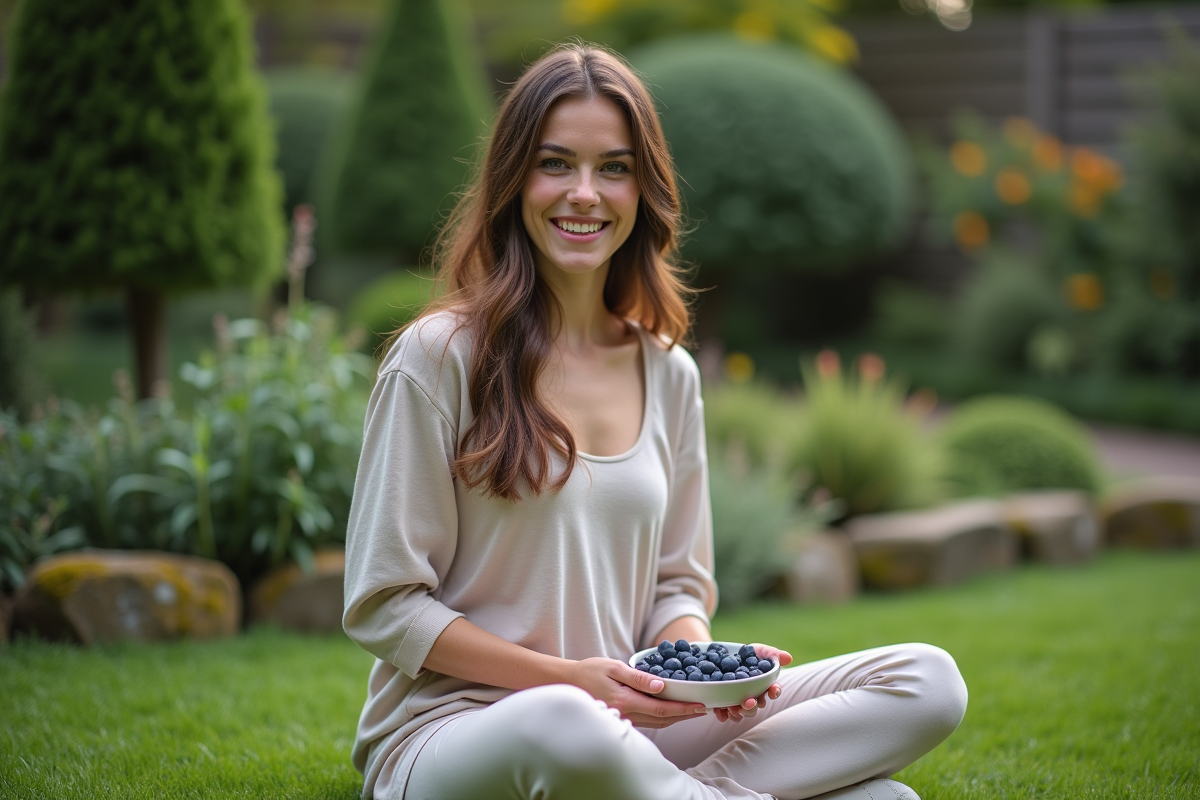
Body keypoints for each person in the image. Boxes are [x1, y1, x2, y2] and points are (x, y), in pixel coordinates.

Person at [342, 43, 968, 800]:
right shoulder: (438, 356)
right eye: (555, 164)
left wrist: (699, 674)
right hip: (460, 731)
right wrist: (566, 679)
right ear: (513, 181)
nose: (584, 193)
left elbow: (679, 585)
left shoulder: (668, 372)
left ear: (644, 190)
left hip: (631, 725)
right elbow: (386, 605)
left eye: (614, 168)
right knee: (570, 722)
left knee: (927, 680)